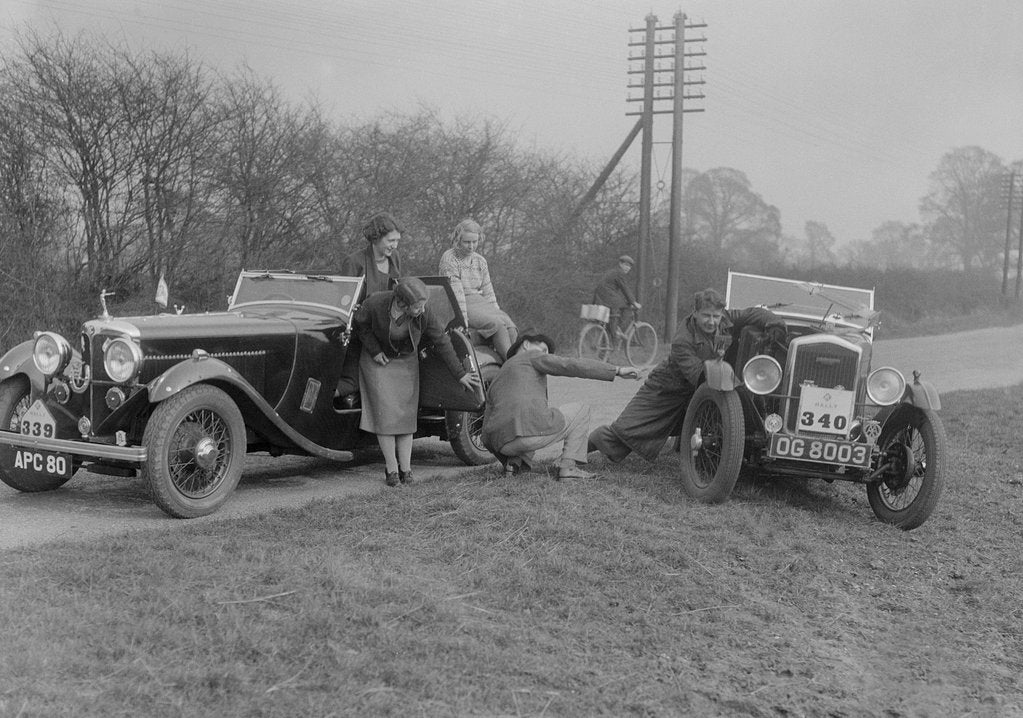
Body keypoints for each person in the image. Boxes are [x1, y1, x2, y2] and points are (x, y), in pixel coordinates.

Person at [588, 288, 785, 463]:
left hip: (701, 388)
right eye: (706, 316)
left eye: (716, 316)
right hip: (667, 389)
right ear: (695, 312)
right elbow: (698, 374)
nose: (711, 321)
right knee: (623, 434)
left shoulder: (726, 318)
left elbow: (755, 312)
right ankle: (578, 449)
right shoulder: (683, 339)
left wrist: (774, 324)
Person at [352, 277, 481, 486]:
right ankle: (392, 470)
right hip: (378, 363)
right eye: (417, 306)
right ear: (402, 302)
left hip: (405, 362)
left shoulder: (424, 312)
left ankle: (407, 470)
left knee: (405, 418)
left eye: (423, 306)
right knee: (385, 417)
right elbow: (360, 325)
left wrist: (459, 373)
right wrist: (374, 350)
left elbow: (442, 340)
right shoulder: (375, 303)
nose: (422, 310)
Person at [482, 332, 640, 480]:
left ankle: (513, 466)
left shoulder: (499, 375)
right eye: (544, 349)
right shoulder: (531, 356)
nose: (546, 354)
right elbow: (570, 364)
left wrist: (501, 452)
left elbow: (487, 424)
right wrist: (617, 370)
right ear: (527, 345)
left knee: (524, 419)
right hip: (526, 435)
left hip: (502, 445)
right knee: (581, 410)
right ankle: (568, 469)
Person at [337, 212, 404, 404]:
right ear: (376, 238)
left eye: (397, 240)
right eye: (391, 240)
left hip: (387, 332)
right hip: (360, 334)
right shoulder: (354, 262)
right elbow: (346, 306)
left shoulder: (395, 257)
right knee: (351, 383)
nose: (395, 245)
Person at [438, 218, 518, 360]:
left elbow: (488, 291)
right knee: (497, 324)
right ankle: (509, 362)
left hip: (480, 301)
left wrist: (496, 311)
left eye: (475, 242)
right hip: (460, 303)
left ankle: (515, 360)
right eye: (467, 242)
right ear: (458, 240)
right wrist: (462, 322)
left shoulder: (480, 261)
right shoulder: (449, 259)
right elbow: (457, 295)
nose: (471, 246)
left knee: (509, 324)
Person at [593, 254, 641, 341]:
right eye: (626, 265)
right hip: (607, 295)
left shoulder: (612, 271)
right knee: (627, 307)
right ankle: (617, 329)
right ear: (620, 264)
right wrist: (634, 302)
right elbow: (625, 289)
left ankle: (610, 334)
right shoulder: (619, 273)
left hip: (600, 296)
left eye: (629, 266)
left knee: (613, 314)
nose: (627, 268)